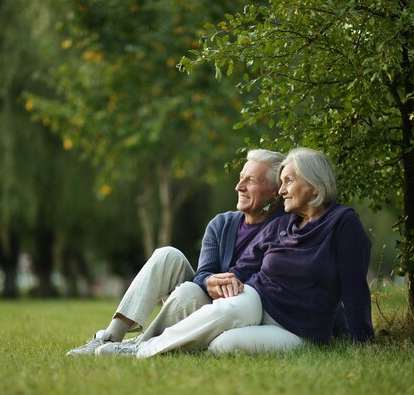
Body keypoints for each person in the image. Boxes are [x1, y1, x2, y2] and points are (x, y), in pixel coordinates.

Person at [95, 146, 374, 358]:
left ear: (313, 185)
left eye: (288, 181)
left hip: (297, 328)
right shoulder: (281, 224)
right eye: (282, 182)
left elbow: (354, 288)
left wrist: (361, 341)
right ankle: (135, 349)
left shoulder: (342, 224)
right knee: (223, 296)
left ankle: (154, 344)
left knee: (221, 347)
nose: (284, 189)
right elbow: (243, 267)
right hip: (254, 300)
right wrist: (225, 281)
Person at [66, 149, 286, 356]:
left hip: (235, 312)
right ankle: (110, 337)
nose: (239, 186)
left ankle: (139, 346)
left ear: (275, 191)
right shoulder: (222, 224)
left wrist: (221, 285)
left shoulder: (284, 228)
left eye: (251, 180)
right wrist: (209, 281)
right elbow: (202, 274)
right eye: (241, 177)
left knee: (188, 292)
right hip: (203, 301)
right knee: (167, 255)